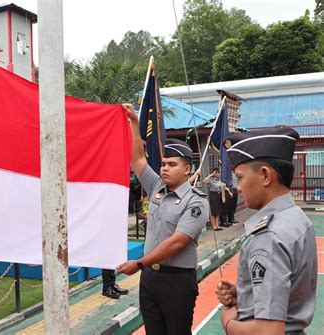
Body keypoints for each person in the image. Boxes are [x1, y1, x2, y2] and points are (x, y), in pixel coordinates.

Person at [117, 104, 209, 334]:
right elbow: (138, 159)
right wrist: (134, 122)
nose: (165, 169)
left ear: (187, 169)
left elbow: (177, 242)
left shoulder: (196, 202)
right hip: (150, 279)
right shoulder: (157, 186)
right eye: (163, 164)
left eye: (172, 165)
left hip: (177, 281)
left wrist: (139, 264)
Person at [215, 127, 317, 335]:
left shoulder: (269, 235)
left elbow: (267, 331)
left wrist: (228, 322)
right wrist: (245, 296)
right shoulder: (295, 217)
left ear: (265, 175)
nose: (238, 188)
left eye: (240, 178)